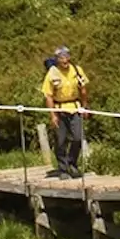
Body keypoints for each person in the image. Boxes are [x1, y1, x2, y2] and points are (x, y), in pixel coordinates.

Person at [40, 47, 89, 180]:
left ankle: (72, 163)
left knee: (78, 137)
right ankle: (63, 168)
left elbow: (83, 89)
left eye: (67, 56)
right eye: (61, 57)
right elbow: (48, 96)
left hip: (75, 107)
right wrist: (53, 115)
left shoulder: (77, 70)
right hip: (59, 108)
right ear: (57, 60)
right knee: (60, 140)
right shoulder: (52, 73)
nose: (65, 60)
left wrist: (85, 107)